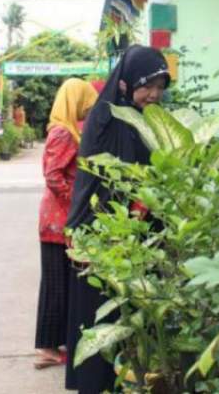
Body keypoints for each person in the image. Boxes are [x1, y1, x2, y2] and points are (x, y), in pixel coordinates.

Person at [64, 46, 170, 393]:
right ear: (125, 83)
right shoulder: (109, 118)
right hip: (102, 234)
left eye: (160, 86)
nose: (154, 94)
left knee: (127, 319)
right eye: (147, 86)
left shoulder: (144, 117)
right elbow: (110, 181)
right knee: (99, 317)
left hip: (132, 234)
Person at [34, 78, 99, 370]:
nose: (90, 105)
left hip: (62, 218)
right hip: (58, 221)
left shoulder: (68, 129)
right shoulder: (62, 132)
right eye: (86, 100)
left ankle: (53, 343)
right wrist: (79, 202)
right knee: (55, 286)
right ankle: (47, 348)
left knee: (59, 284)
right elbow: (53, 176)